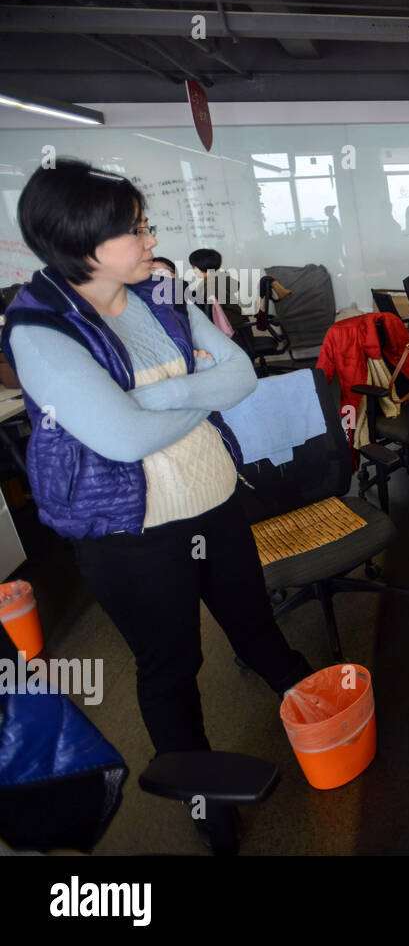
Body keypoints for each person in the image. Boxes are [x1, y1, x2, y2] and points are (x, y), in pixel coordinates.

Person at [1, 161, 314, 844]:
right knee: (171, 666)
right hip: (130, 532)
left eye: (146, 225)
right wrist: (178, 401)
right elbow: (119, 437)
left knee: (253, 620)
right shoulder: (39, 328)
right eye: (134, 230)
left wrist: (158, 399)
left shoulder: (162, 288)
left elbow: (238, 374)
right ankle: (207, 799)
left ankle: (310, 700)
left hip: (215, 498)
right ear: (84, 245)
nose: (150, 239)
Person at [188, 247, 240, 335]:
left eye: (193, 266)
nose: (193, 270)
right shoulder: (220, 278)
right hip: (235, 322)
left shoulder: (211, 283)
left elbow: (208, 309)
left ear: (200, 266)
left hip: (231, 330)